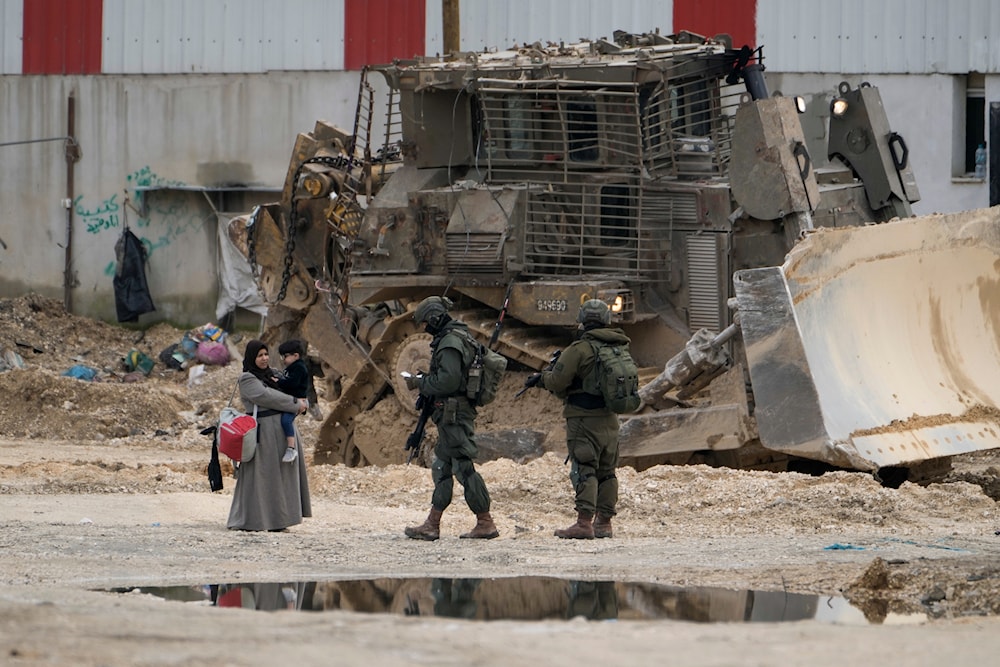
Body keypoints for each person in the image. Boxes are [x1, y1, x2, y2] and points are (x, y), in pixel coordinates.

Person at [403, 296, 499, 541]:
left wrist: (419, 382)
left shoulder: (450, 343)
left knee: (464, 468)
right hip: (450, 412)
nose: (424, 328)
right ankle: (432, 524)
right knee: (442, 467)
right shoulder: (456, 337)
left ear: (435, 318)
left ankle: (485, 522)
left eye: (426, 323)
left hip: (453, 414)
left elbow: (448, 381)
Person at [530, 299, 626, 539]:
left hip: (584, 419)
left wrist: (541, 378)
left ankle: (584, 523)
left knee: (585, 468)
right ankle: (604, 523)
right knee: (608, 471)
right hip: (611, 419)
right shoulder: (618, 348)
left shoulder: (579, 349)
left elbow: (557, 382)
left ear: (583, 320)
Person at [226, 339, 311, 532]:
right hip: (263, 434)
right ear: (251, 358)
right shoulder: (247, 379)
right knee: (261, 477)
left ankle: (279, 521)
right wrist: (295, 403)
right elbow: (266, 397)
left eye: (266, 354)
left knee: (281, 478)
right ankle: (251, 521)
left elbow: (293, 387)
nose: (264, 359)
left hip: (280, 433)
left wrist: (300, 400)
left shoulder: (272, 375)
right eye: (260, 355)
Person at [275, 339, 310, 463]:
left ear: (295, 356)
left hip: (297, 401)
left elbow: (292, 383)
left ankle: (291, 448)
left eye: (285, 356)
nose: (283, 360)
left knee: (286, 421)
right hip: (292, 401)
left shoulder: (299, 368)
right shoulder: (292, 367)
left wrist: (278, 382)